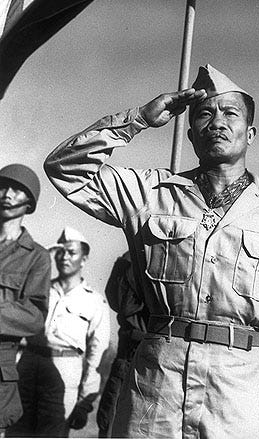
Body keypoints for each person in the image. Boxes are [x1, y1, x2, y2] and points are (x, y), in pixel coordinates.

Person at [43, 64, 259, 439]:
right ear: (190, 135)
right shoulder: (150, 195)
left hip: (241, 399)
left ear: (250, 134)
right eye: (205, 114)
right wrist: (137, 119)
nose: (217, 121)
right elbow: (64, 168)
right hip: (155, 392)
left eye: (230, 113)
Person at [9, 226, 110, 437]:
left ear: (84, 259)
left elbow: (97, 353)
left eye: (72, 252)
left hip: (65, 370)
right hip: (27, 365)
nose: (64, 257)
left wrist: (84, 403)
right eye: (60, 252)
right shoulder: (38, 290)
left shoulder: (94, 301)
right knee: (16, 430)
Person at [0, 164, 51, 438]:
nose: (7, 194)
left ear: (29, 202)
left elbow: (34, 318)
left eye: (17, 190)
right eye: (3, 186)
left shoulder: (37, 257)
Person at [96, 251, 148, 438]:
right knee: (111, 426)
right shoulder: (132, 259)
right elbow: (123, 304)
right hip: (128, 358)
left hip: (159, 360)